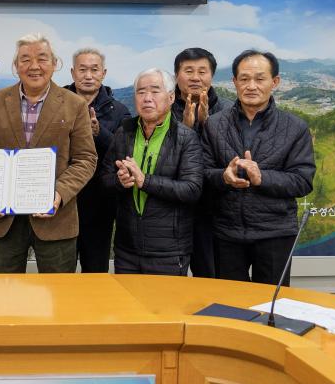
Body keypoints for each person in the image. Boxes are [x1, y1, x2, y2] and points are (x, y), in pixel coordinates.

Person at [0, 33, 97, 273]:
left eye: (42, 59)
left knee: (57, 293)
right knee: (4, 291)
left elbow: (86, 159)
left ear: (54, 64)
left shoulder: (75, 104)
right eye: (25, 59)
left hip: (56, 218)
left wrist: (59, 193)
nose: (34, 66)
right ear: (16, 66)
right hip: (4, 220)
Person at [201, 50, 315, 286]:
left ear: (275, 82)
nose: (251, 86)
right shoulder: (214, 124)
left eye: (260, 79)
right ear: (234, 82)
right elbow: (201, 173)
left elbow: (302, 181)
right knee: (230, 300)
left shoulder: (295, 127)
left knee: (270, 302)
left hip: (275, 233)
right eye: (244, 79)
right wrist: (223, 177)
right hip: (227, 232)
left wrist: (262, 177)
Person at [101, 68, 203, 275]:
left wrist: (145, 181)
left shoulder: (185, 137)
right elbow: (104, 178)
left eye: (155, 91)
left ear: (171, 97)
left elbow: (192, 189)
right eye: (141, 92)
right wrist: (119, 181)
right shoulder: (124, 131)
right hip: (127, 248)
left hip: (169, 251)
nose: (147, 98)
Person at [64, 47, 130, 273]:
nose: (88, 76)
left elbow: (124, 152)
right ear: (73, 73)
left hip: (100, 203)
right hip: (63, 200)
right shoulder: (57, 103)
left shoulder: (119, 111)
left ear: (104, 73)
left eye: (94, 70)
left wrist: (99, 133)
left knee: (95, 270)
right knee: (61, 271)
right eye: (82, 70)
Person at [172, 47, 231, 278]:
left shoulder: (228, 110)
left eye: (202, 71)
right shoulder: (163, 109)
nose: (195, 77)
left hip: (216, 209)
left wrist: (208, 126)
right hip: (174, 207)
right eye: (188, 71)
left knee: (212, 277)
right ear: (176, 76)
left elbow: (230, 158)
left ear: (212, 76)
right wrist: (185, 129)